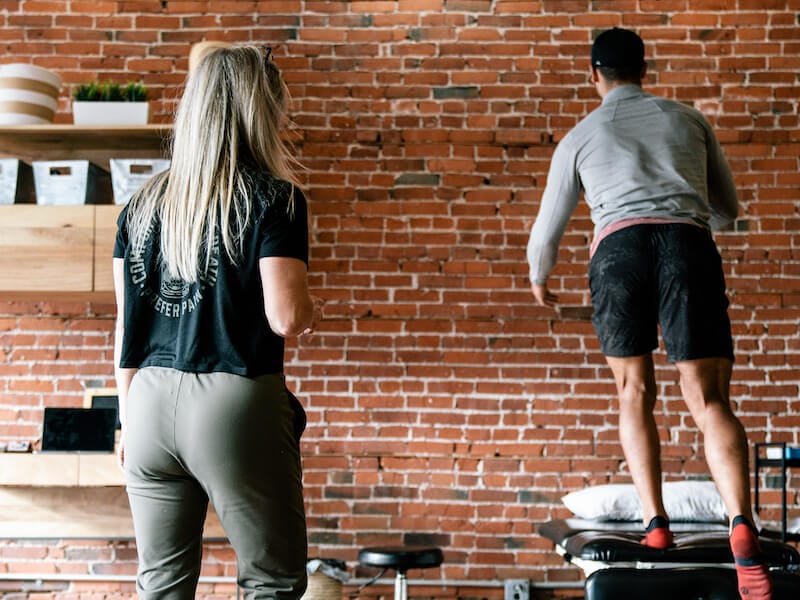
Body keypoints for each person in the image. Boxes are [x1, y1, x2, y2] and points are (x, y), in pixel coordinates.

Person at [526, 28, 771, 600]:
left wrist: (540, 280)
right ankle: (741, 525)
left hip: (618, 253)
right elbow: (727, 209)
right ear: (644, 68)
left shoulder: (581, 136)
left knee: (634, 390)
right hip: (687, 244)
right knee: (709, 399)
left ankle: (655, 525)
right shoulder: (688, 120)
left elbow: (548, 229)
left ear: (595, 76)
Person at [113, 45, 322, 599]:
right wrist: (311, 304)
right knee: (271, 582)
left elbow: (128, 331)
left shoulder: (139, 206)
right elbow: (287, 317)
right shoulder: (276, 200)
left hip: (147, 403)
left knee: (161, 585)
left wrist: (127, 423)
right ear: (258, 111)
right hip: (233, 400)